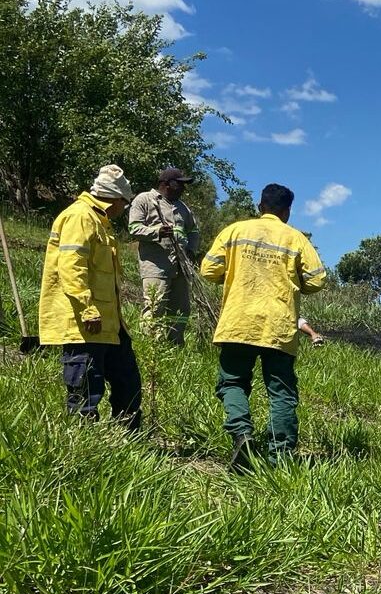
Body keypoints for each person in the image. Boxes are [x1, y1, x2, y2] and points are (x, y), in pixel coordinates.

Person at [200, 184, 327, 469]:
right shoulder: (295, 239)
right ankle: (280, 456)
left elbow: (208, 270)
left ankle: (242, 433)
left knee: (233, 382)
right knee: (281, 391)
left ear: (260, 207)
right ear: (287, 212)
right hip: (278, 326)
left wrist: (235, 277)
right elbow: (317, 280)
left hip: (238, 322)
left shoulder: (234, 231)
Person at [38, 164, 142, 430]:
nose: (124, 209)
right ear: (115, 199)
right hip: (84, 322)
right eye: (124, 203)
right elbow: (72, 266)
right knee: (85, 387)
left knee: (127, 382)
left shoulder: (100, 222)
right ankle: (84, 444)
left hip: (111, 323)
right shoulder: (80, 217)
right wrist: (87, 308)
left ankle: (129, 440)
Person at [128, 167, 200, 346]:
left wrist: (191, 250)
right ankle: (152, 346)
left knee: (180, 309)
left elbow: (193, 231)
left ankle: (176, 345)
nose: (184, 188)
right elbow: (134, 228)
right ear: (166, 184)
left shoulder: (183, 207)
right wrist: (156, 232)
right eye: (180, 184)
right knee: (155, 306)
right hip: (156, 265)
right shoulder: (144, 199)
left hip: (181, 267)